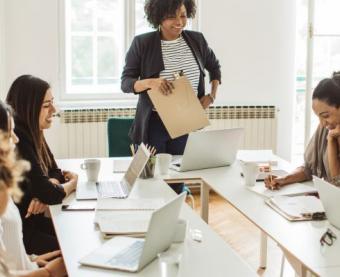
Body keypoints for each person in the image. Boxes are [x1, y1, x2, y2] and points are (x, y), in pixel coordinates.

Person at [121, 0, 221, 155]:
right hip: (153, 125)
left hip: (187, 122)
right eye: (171, 17)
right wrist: (150, 83)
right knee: (154, 177)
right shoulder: (142, 43)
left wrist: (212, 96)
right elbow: (126, 83)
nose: (179, 22)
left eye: (183, 15)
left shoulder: (197, 40)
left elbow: (214, 68)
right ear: (158, 17)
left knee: (181, 177)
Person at [6, 75, 78, 255]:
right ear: (28, 108)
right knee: (74, 250)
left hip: (36, 223)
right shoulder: (19, 139)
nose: (54, 110)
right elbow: (52, 194)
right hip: (24, 233)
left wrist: (46, 191)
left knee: (76, 235)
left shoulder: (33, 130)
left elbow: (54, 170)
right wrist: (72, 183)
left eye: (52, 103)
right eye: (46, 105)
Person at [0, 101, 67, 277]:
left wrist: (30, 259)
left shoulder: (3, 185)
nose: (16, 139)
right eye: (9, 134)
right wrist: (48, 272)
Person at [265, 72, 340, 189]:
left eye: (325, 116)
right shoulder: (326, 128)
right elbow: (308, 169)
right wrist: (284, 179)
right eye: (319, 117)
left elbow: (338, 185)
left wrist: (331, 141)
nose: (322, 123)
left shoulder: (329, 132)